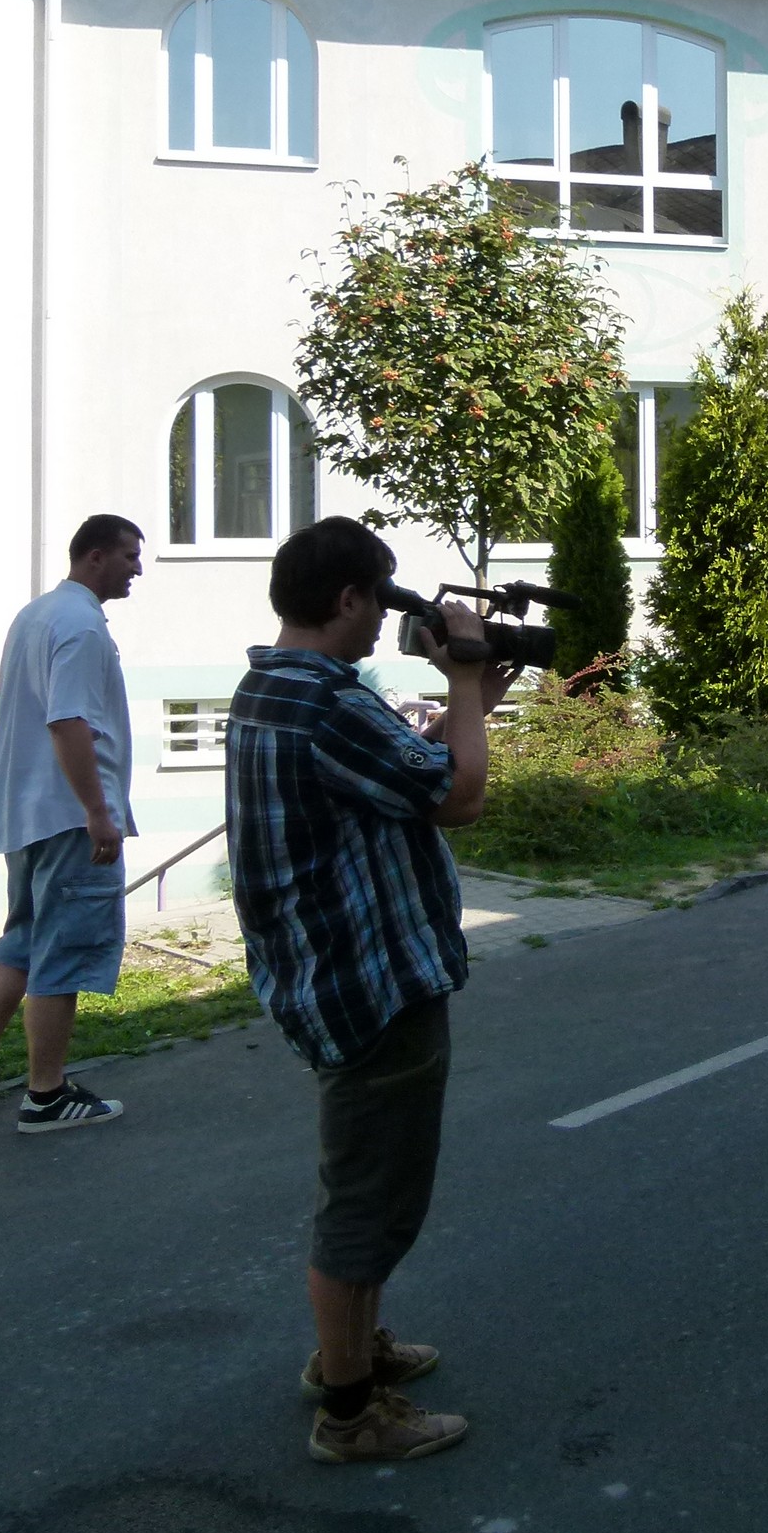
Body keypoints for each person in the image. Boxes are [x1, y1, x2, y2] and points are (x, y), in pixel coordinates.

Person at [226, 516, 519, 1464]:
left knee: (366, 1181)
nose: (386, 620)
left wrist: (466, 704)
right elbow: (461, 800)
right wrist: (463, 680)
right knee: (369, 1199)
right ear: (349, 598)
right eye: (381, 599)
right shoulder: (327, 703)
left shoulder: (271, 686)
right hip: (372, 983)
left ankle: (351, 1348)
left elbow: (404, 773)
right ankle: (350, 1413)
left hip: (319, 974)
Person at [0, 514, 145, 1132]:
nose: (138, 569)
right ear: (94, 556)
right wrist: (97, 812)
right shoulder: (82, 627)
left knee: (24, 937)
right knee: (64, 949)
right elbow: (67, 721)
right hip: (68, 818)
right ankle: (46, 1094)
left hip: (26, 812)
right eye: (130, 556)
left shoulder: (36, 615)